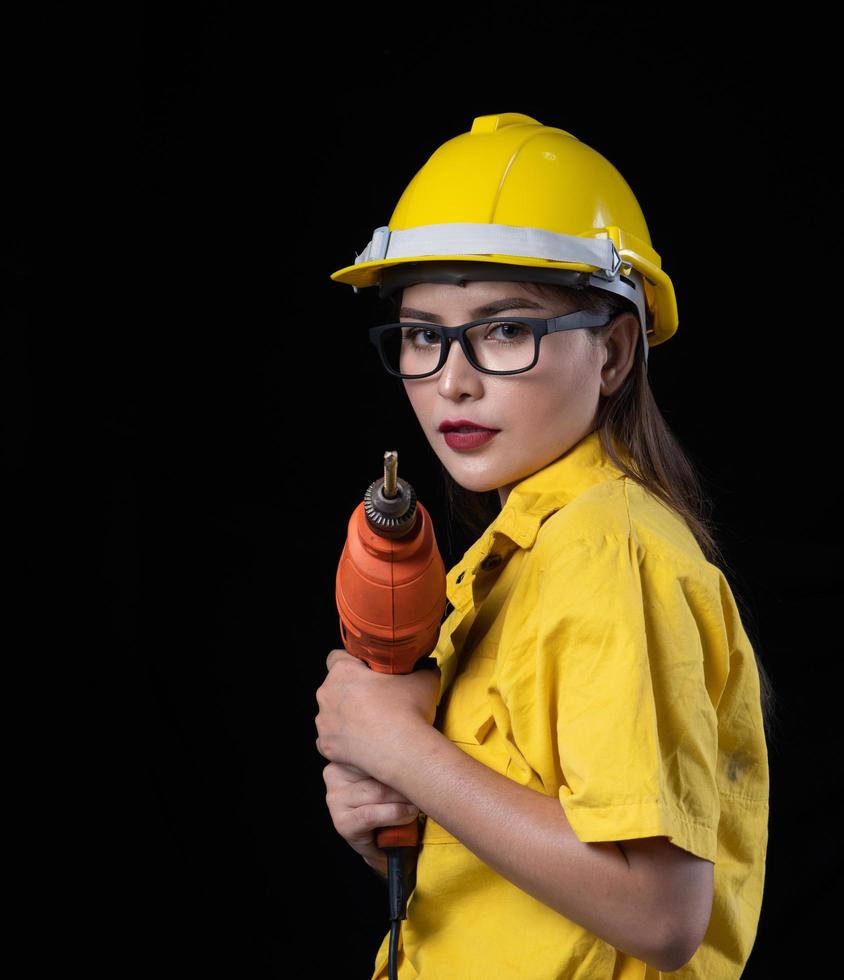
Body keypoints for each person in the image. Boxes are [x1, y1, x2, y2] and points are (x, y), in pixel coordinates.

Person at [315, 112, 772, 979]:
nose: (452, 378)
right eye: (422, 334)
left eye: (504, 330)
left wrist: (405, 750)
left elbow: (660, 912)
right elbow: (537, 883)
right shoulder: (526, 556)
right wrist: (400, 821)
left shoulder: (611, 550)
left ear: (613, 350)